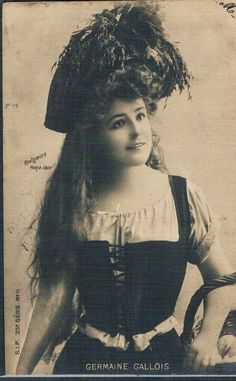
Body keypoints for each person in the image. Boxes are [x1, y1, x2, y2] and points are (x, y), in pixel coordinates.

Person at [16, 1, 236, 375]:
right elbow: (54, 298)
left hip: (164, 363)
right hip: (85, 364)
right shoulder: (75, 203)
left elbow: (224, 281)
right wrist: (18, 373)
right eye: (119, 122)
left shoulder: (181, 197)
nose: (138, 131)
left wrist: (206, 337)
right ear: (94, 135)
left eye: (140, 115)